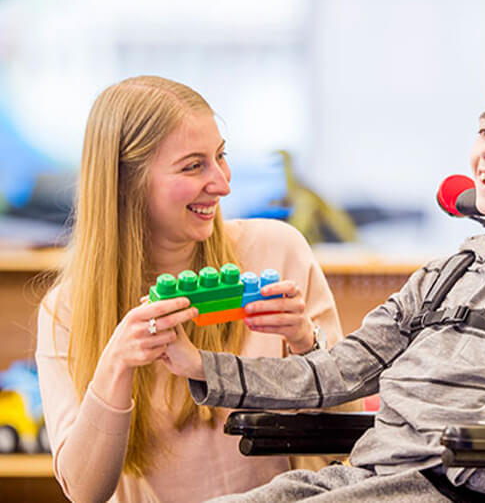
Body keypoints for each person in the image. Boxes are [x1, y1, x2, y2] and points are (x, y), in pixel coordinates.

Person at [164, 69, 485, 503]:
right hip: (367, 477)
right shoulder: (447, 273)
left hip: (449, 488)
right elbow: (338, 369)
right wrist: (200, 365)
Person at [36, 75, 352, 503]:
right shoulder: (67, 310)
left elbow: (348, 442)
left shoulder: (277, 253)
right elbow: (85, 492)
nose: (223, 184)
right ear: (126, 182)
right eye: (193, 166)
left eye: (221, 156)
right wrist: (115, 366)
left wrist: (307, 345)